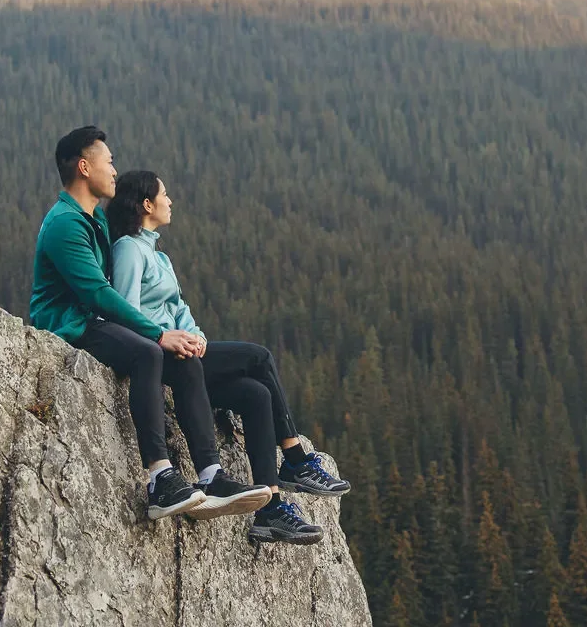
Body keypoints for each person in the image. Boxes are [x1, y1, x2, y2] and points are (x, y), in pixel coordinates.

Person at [30, 126, 270, 522]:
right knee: (147, 353)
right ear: (85, 166)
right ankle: (160, 478)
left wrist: (176, 338)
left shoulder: (95, 222)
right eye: (108, 162)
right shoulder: (64, 224)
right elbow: (98, 294)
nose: (113, 170)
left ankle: (210, 475)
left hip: (93, 322)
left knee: (184, 361)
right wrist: (158, 333)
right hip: (70, 327)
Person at [107, 168, 351, 545]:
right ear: (145, 204)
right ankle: (296, 459)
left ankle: (270, 509)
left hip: (185, 351)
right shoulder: (128, 249)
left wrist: (198, 335)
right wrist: (163, 338)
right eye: (164, 194)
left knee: (257, 395)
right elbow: (124, 311)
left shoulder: (160, 256)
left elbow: (180, 307)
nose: (170, 201)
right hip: (161, 354)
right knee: (259, 356)